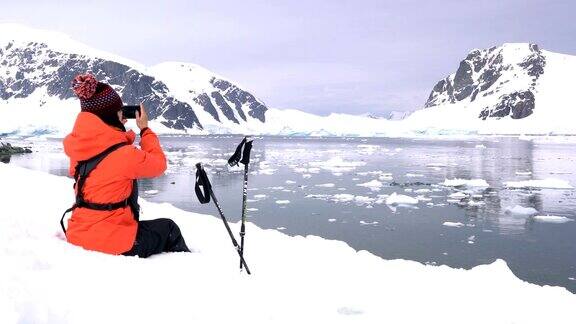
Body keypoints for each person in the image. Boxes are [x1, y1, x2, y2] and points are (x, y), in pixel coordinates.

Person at [62, 73, 190, 258]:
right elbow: (159, 165)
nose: (123, 116)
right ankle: (184, 265)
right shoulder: (124, 155)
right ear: (109, 116)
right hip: (110, 240)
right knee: (168, 228)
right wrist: (145, 130)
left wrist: (117, 129)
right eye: (120, 112)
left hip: (79, 233)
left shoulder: (79, 148)